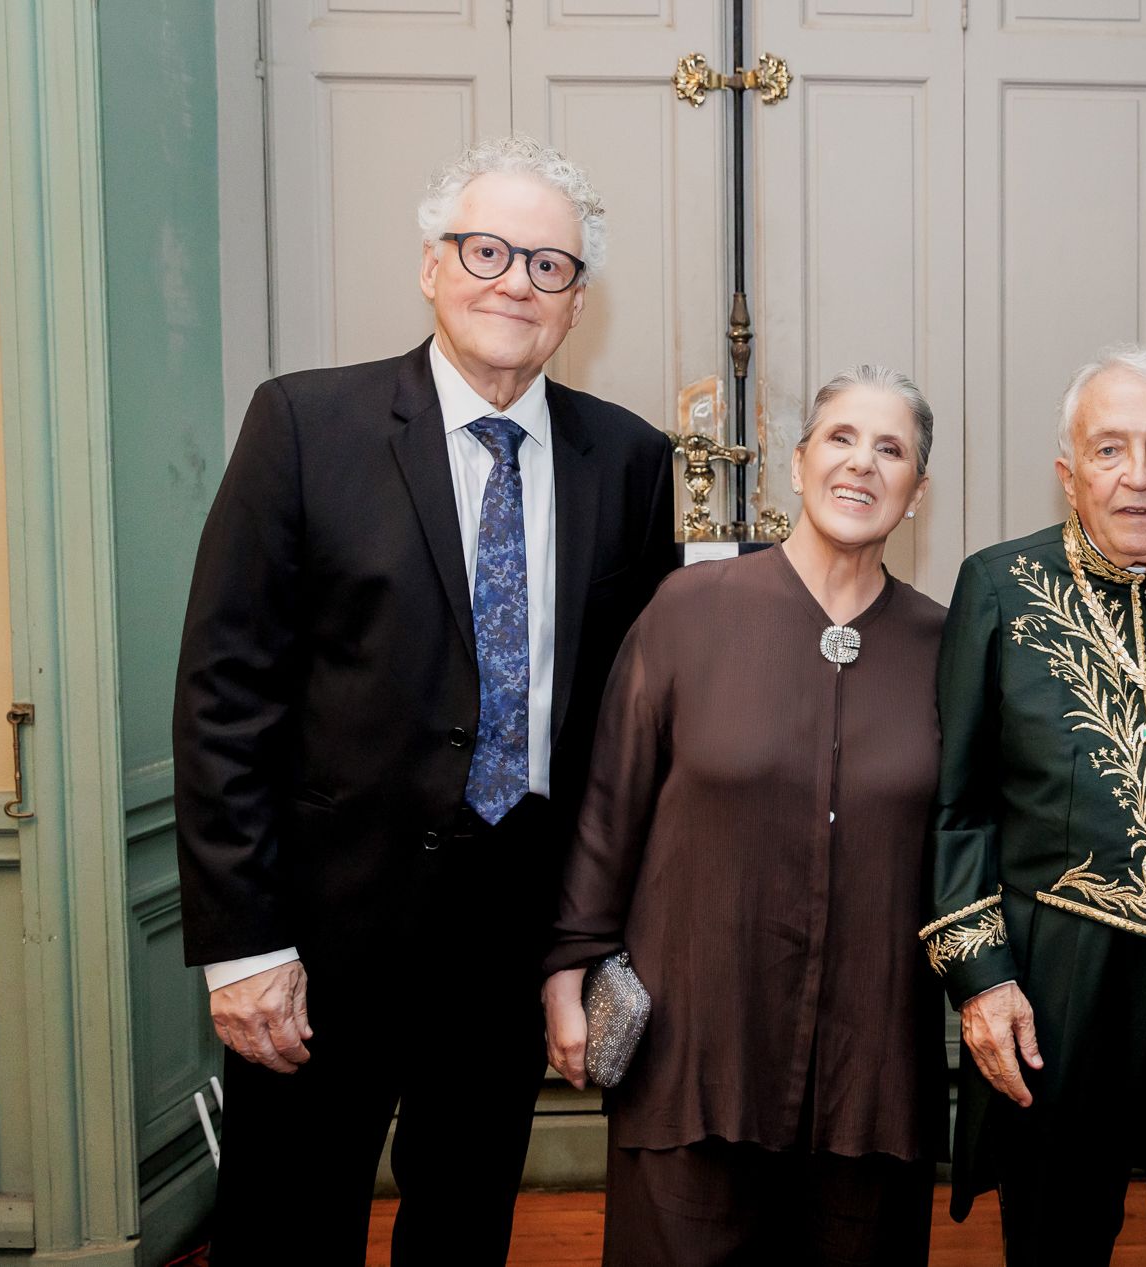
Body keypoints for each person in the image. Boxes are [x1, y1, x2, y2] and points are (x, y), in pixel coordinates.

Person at [173, 136, 676, 1265]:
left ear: (577, 299)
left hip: (510, 928)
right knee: (287, 1229)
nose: (515, 281)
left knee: (463, 1227)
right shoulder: (305, 426)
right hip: (318, 934)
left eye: (549, 265)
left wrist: (590, 938)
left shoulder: (632, 460)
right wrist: (242, 946)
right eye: (487, 249)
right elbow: (224, 693)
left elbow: (632, 721)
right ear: (432, 265)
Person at [543, 366, 946, 1267]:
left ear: (917, 494)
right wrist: (567, 968)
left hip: (871, 1071)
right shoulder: (689, 610)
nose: (862, 464)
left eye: (892, 450)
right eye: (840, 438)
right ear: (799, 464)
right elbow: (610, 802)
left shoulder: (943, 646)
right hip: (694, 1050)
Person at [924, 346, 1146, 1265]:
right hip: (1066, 979)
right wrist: (983, 980)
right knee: (1057, 1233)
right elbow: (958, 803)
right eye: (1109, 450)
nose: (1138, 477)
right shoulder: (999, 585)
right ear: (1068, 472)